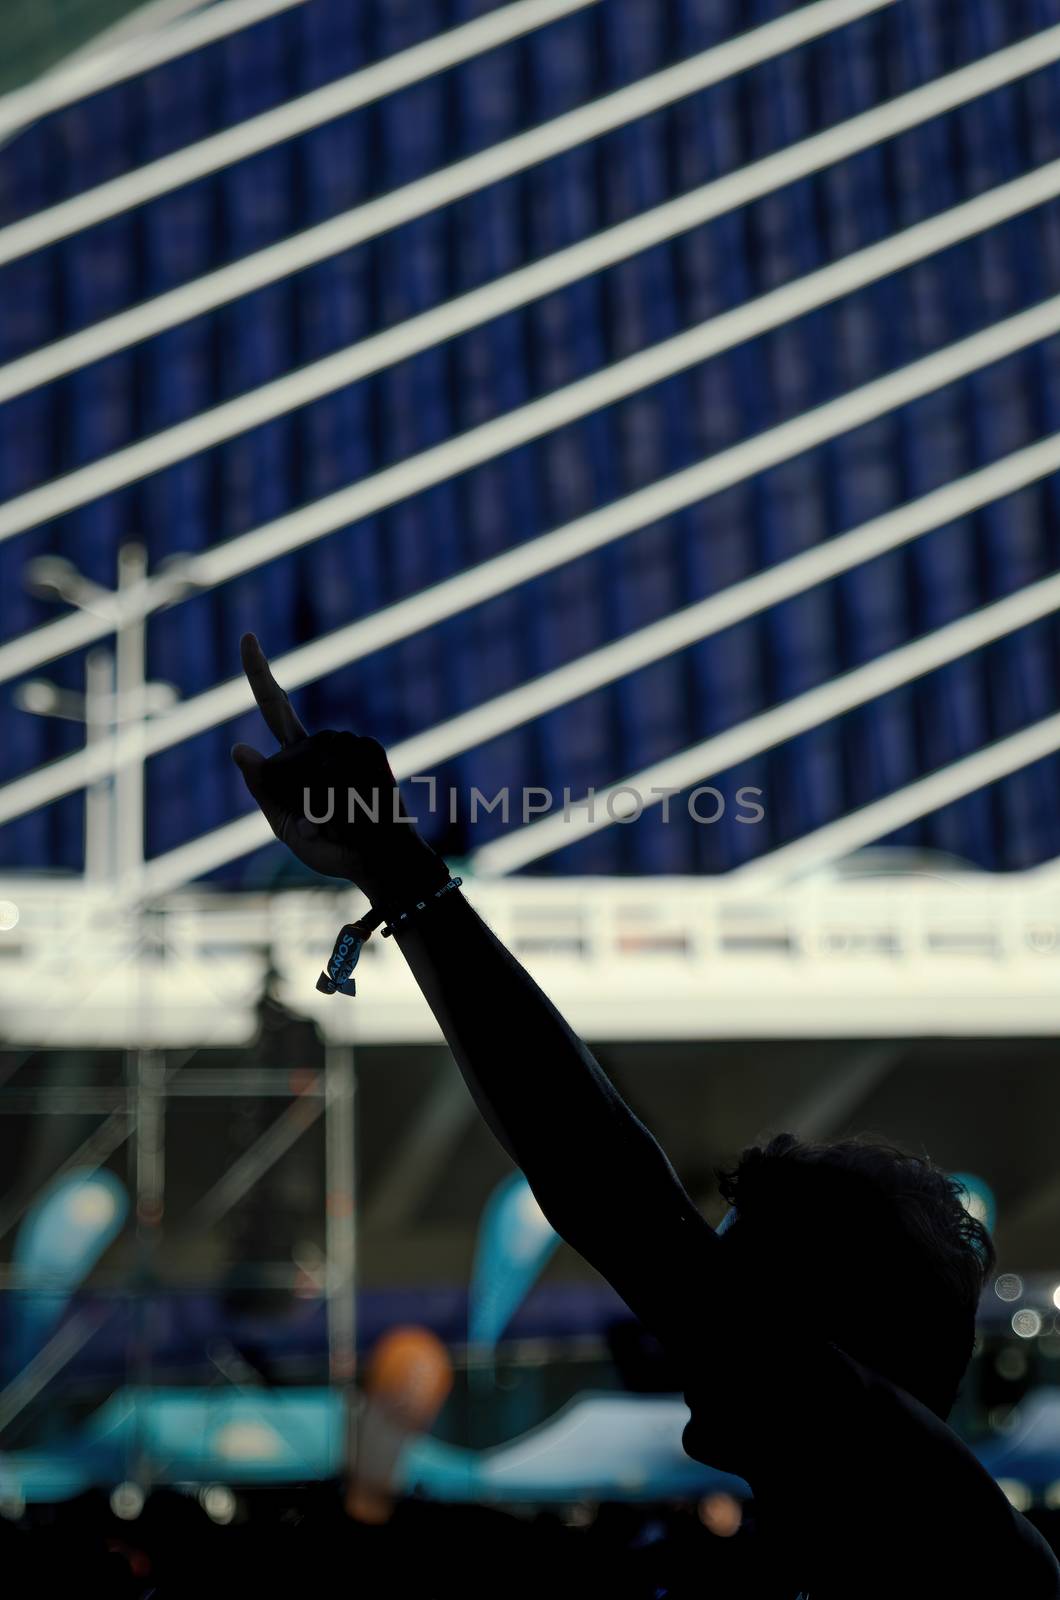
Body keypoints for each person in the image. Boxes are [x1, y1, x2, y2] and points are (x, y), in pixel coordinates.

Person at [232, 633, 1060, 1599]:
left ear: (817, 1337)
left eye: (734, 1286)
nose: (683, 1325)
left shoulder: (944, 1535)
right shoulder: (867, 1542)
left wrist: (401, 870)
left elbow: (621, 1203)